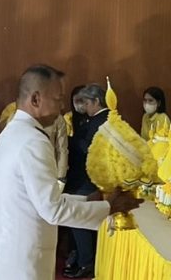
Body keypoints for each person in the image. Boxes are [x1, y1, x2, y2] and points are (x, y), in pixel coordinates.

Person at [0, 65, 141, 280]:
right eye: (57, 99)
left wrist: (87, 200)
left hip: (8, 255)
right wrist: (108, 208)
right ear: (36, 99)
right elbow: (52, 209)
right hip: (22, 264)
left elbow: (35, 199)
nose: (62, 106)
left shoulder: (12, 132)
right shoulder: (33, 141)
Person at [62, 84, 109, 278]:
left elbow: (89, 148)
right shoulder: (97, 119)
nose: (85, 107)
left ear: (97, 101)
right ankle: (83, 259)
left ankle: (85, 262)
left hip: (87, 178)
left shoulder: (101, 121)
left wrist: (67, 139)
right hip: (84, 177)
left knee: (79, 219)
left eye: (87, 103)